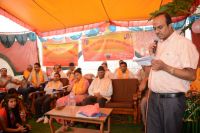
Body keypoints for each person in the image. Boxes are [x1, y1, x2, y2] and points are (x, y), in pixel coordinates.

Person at [147, 12, 199, 133]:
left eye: (160, 27)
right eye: (154, 28)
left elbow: (191, 75)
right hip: (154, 98)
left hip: (172, 101)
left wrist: (165, 67)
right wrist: (151, 56)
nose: (157, 31)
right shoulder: (158, 45)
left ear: (170, 25)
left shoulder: (183, 44)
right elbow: (156, 72)